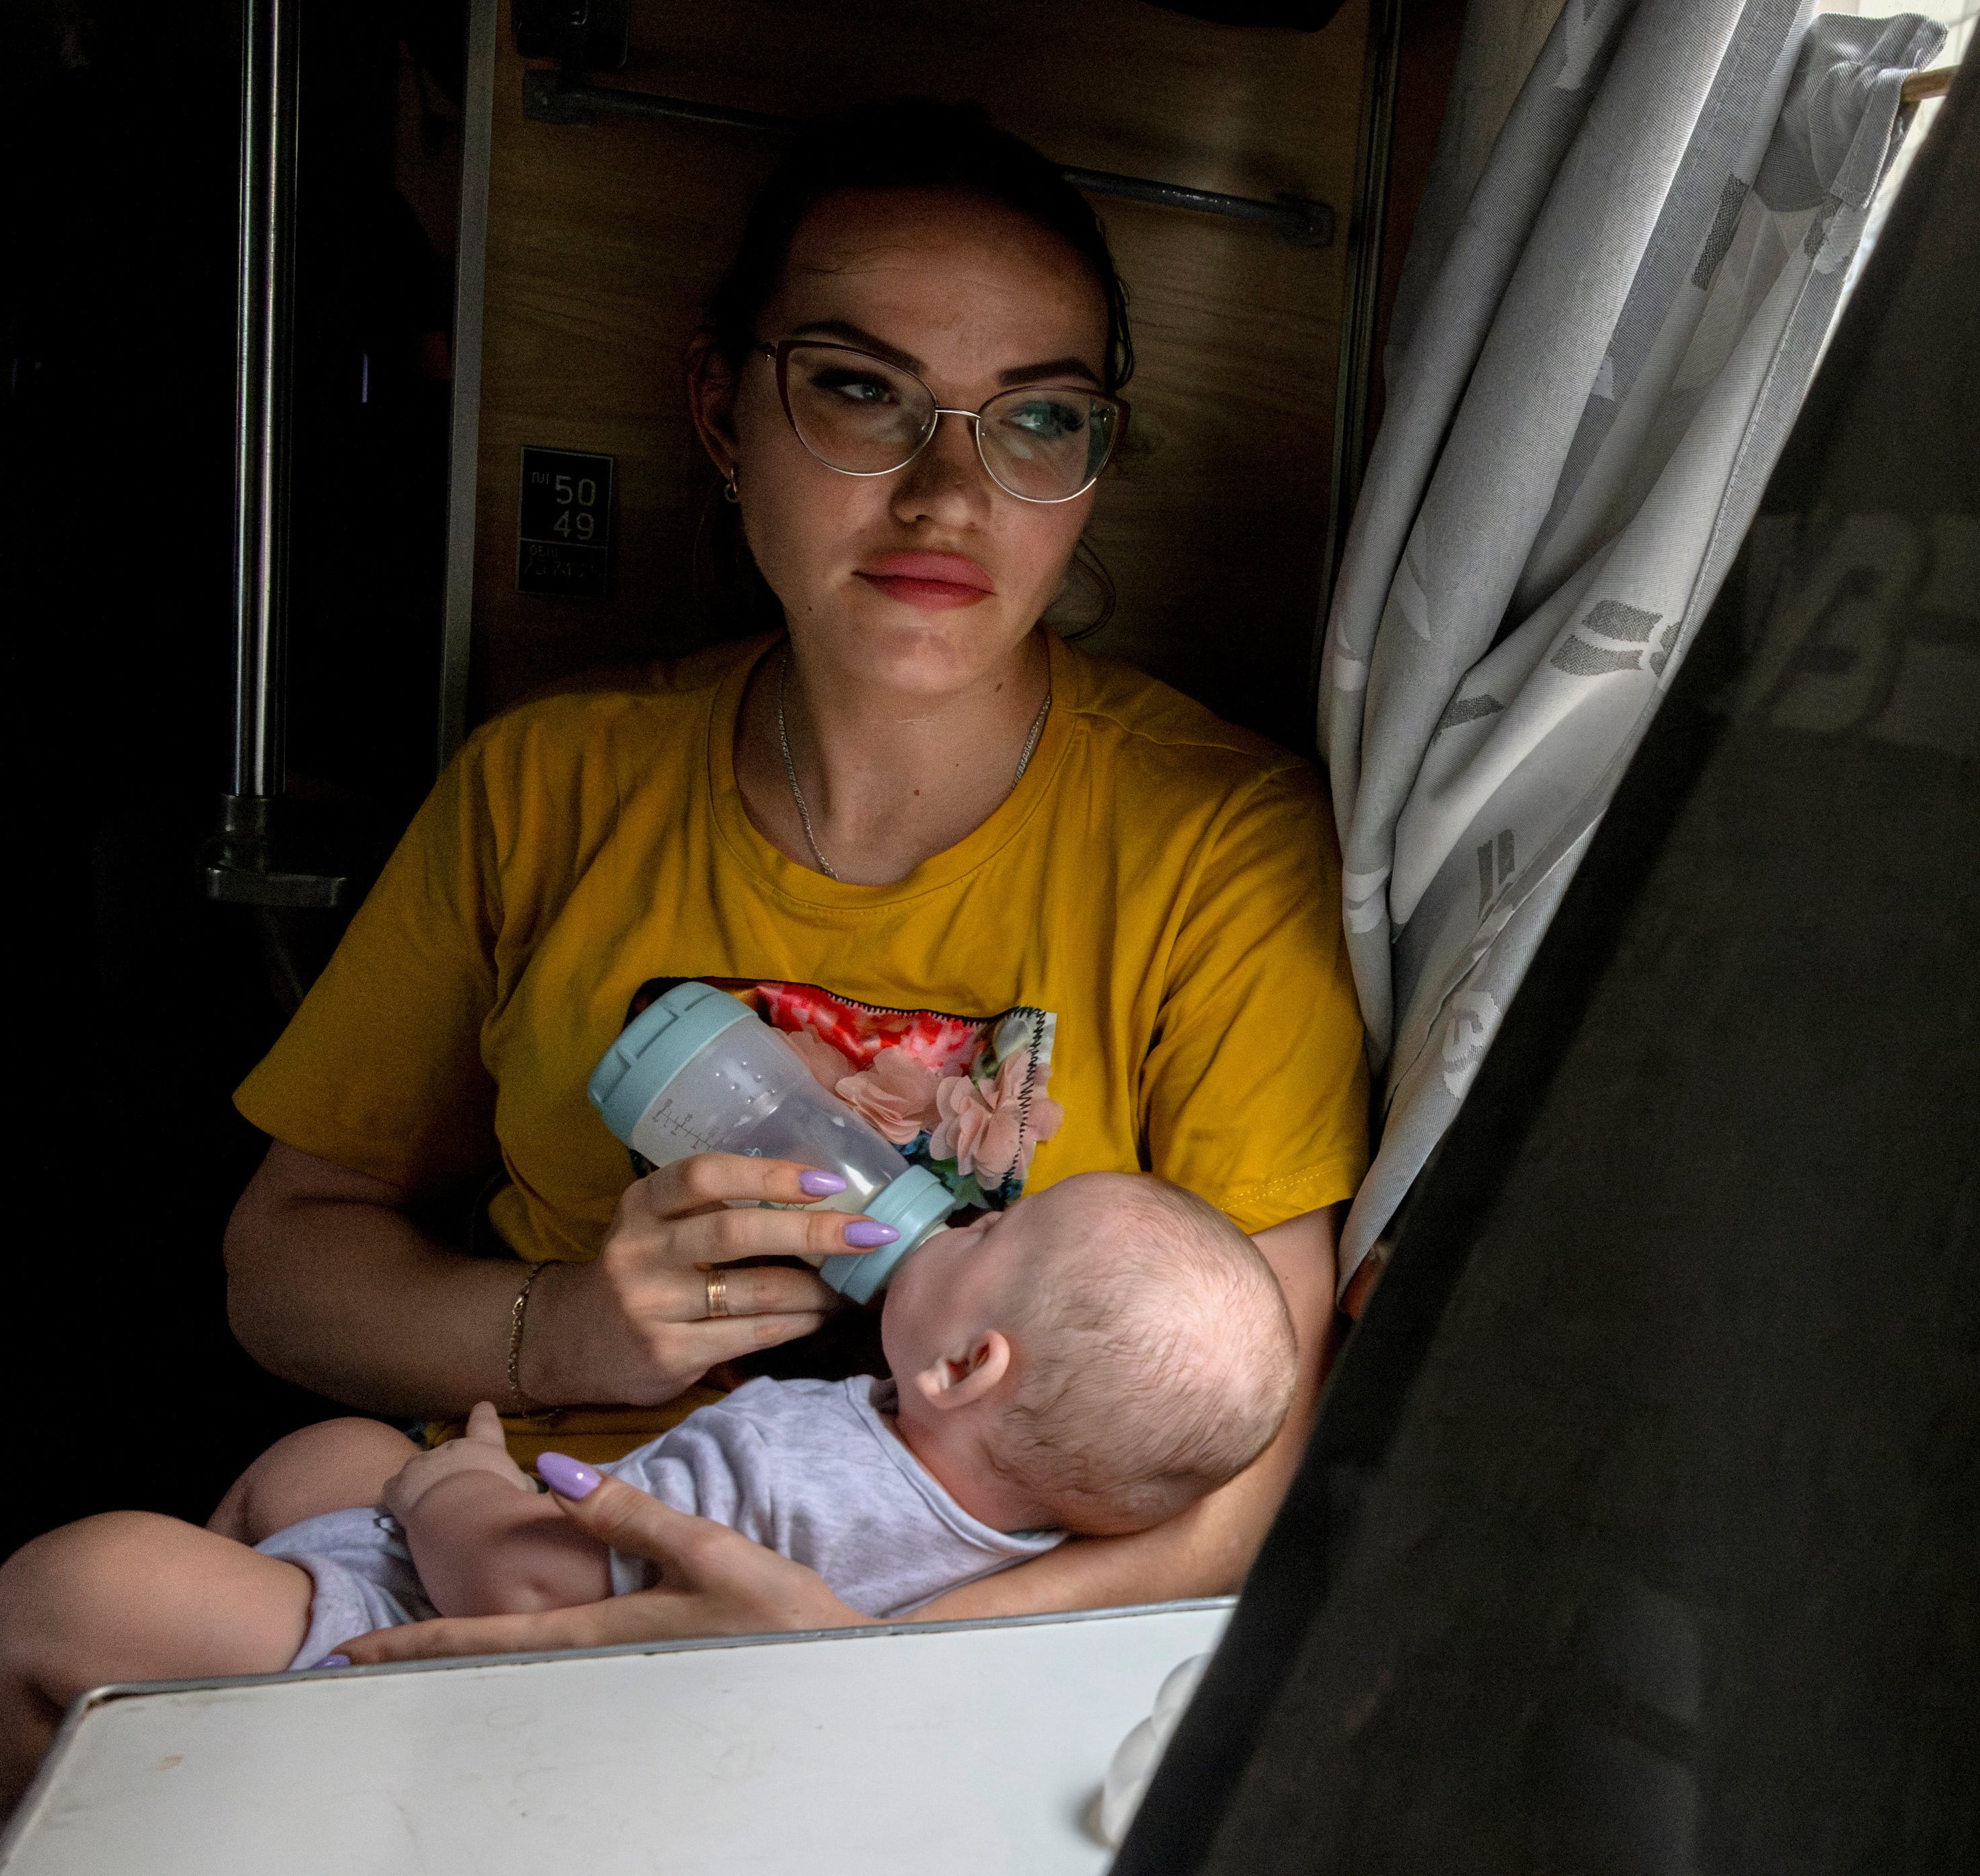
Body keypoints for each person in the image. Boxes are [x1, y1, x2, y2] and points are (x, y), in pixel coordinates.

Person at [208, 102, 1366, 1637]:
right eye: (859, 390)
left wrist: (840, 1668)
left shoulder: (1219, 846)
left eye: (1034, 417)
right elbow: (281, 1263)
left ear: (1096, 459)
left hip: (927, 1631)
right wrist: (562, 1332)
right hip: (505, 1555)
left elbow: (1250, 1467)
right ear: (719, 408)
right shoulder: (548, 786)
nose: (948, 495)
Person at [0, 1174, 1295, 1788]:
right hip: (511, 1616)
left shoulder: (807, 1465)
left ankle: (158, 1749)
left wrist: (448, 1482)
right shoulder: (998, 1530)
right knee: (332, 1456)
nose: (958, 1217)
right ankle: (208, 1716)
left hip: (442, 1648)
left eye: (990, 1231)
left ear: (966, 1362)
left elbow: (522, 1586)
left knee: (89, 1577)